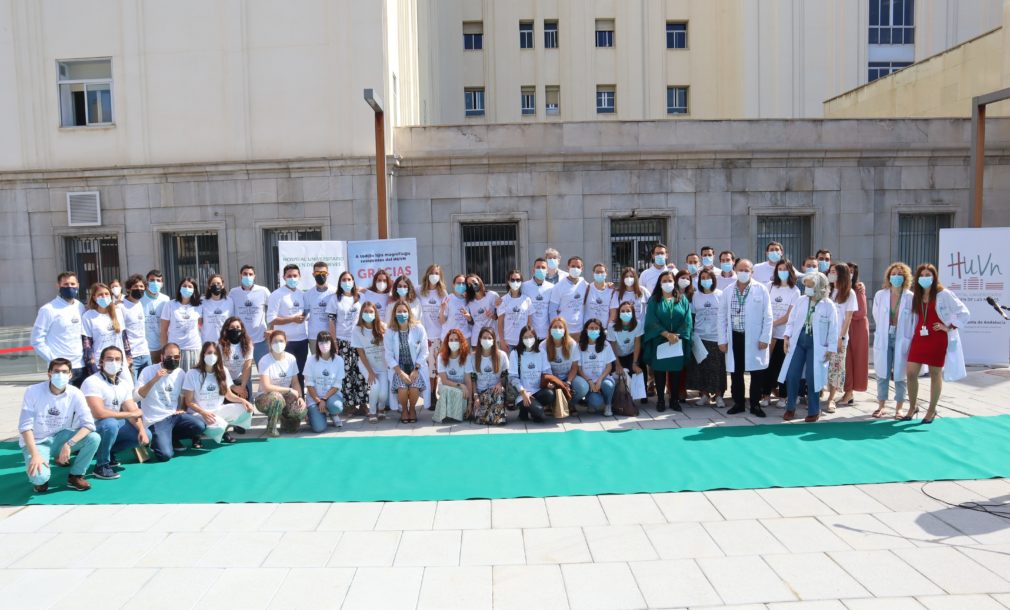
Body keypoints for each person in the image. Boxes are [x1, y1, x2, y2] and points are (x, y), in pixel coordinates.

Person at [19, 358, 100, 492]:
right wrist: (35, 455)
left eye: (64, 372)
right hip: (37, 442)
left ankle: (76, 476)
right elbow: (25, 426)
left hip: (61, 437)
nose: (60, 375)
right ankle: (41, 480)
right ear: (49, 373)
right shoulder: (32, 391)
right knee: (39, 477)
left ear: (70, 375)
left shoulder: (75, 393)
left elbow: (89, 424)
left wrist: (69, 444)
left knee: (94, 438)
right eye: (56, 371)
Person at [904, 263, 970, 423]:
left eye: (928, 275)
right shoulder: (916, 295)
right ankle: (913, 407)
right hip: (919, 337)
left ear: (934, 277)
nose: (925, 278)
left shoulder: (943, 294)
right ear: (917, 278)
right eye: (922, 275)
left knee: (935, 374)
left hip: (937, 338)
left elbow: (964, 312)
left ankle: (931, 410)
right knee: (911, 373)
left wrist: (948, 327)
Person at [779, 271, 839, 422]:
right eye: (806, 285)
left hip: (817, 345)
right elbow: (792, 321)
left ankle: (813, 410)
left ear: (820, 287)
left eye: (810, 286)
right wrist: (786, 336)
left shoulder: (828, 305)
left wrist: (831, 349)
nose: (807, 289)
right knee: (792, 374)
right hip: (799, 341)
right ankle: (790, 407)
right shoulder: (801, 300)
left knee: (813, 377)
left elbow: (833, 328)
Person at [718, 259, 773, 417]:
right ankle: (739, 403)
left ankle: (755, 405)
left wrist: (765, 338)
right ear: (735, 270)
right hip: (734, 336)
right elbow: (721, 316)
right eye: (740, 269)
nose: (743, 272)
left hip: (755, 338)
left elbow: (768, 316)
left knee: (756, 373)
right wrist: (722, 339)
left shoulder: (761, 289)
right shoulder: (728, 290)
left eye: (746, 270)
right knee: (736, 372)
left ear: (752, 272)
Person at [82, 346, 146, 480]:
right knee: (110, 424)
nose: (114, 362)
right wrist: (130, 415)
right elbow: (99, 414)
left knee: (145, 435)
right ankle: (101, 466)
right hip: (89, 430)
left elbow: (132, 409)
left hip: (110, 427)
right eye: (109, 359)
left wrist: (142, 430)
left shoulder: (123, 384)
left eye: (117, 359)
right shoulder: (92, 382)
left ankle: (108, 452)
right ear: (101, 362)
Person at [136, 342, 206, 461]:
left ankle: (170, 437)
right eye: (169, 357)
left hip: (173, 416)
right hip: (156, 420)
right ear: (162, 357)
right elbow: (136, 397)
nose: (173, 359)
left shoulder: (180, 373)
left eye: (176, 357)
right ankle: (156, 440)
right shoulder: (148, 371)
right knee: (165, 455)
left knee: (199, 425)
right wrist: (155, 379)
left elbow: (185, 394)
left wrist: (182, 409)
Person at [183, 342, 254, 444]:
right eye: (209, 353)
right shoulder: (192, 373)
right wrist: (203, 412)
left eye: (215, 353)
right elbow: (188, 402)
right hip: (199, 413)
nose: (212, 356)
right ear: (203, 354)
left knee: (246, 409)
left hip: (217, 410)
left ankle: (220, 427)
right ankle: (197, 434)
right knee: (219, 427)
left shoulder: (223, 371)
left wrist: (243, 401)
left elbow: (228, 395)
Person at [643, 270, 693, 412]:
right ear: (660, 283)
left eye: (670, 281)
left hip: (677, 341)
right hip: (659, 340)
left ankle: (674, 400)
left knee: (675, 371)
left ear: (674, 282)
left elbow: (687, 320)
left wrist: (677, 335)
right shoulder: (654, 300)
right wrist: (665, 334)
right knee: (659, 371)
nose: (667, 283)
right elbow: (651, 320)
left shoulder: (682, 299)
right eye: (664, 281)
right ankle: (660, 400)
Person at [871, 263, 914, 419]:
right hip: (884, 336)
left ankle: (899, 408)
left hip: (902, 338)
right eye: (893, 274)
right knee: (882, 372)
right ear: (889, 276)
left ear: (905, 278)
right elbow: (876, 315)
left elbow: (914, 320)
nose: (896, 277)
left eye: (900, 274)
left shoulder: (910, 297)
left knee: (900, 373)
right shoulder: (880, 295)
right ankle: (881, 406)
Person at [31, 271, 87, 387]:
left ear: (78, 285)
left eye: (72, 284)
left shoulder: (80, 306)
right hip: (61, 369)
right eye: (65, 284)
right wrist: (55, 361)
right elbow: (36, 340)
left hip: (82, 366)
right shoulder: (48, 309)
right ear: (58, 286)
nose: (69, 287)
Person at [327, 271, 368, 415]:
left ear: (353, 281)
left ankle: (363, 403)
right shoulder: (335, 299)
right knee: (346, 372)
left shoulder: (360, 297)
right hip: (342, 340)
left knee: (361, 371)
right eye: (344, 279)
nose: (347, 282)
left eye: (349, 279)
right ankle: (349, 404)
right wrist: (334, 342)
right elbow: (331, 321)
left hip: (359, 340)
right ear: (339, 282)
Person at [255, 330, 306, 436]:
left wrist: (300, 397)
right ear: (269, 343)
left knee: (301, 410)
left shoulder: (291, 358)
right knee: (277, 397)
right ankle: (271, 427)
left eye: (281, 341)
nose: (278, 344)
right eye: (274, 341)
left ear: (286, 342)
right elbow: (266, 387)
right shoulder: (265, 360)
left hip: (285, 397)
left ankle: (285, 419)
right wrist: (289, 390)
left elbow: (295, 382)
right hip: (266, 398)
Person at [687, 268, 726, 407]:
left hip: (716, 337)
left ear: (713, 279)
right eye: (702, 278)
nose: (705, 280)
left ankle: (719, 395)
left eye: (708, 277)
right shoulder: (696, 296)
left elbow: (724, 316)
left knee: (717, 368)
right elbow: (692, 316)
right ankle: (704, 394)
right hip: (700, 336)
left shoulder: (721, 295)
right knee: (701, 367)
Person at [385, 301, 429, 423]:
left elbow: (425, 350)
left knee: (414, 388)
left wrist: (416, 369)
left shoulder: (418, 328)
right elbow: (388, 355)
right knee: (402, 388)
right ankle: (404, 409)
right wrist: (400, 373)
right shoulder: (390, 331)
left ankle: (413, 409)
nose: (402, 314)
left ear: (409, 313)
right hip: (399, 368)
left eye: (404, 311)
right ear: (394, 314)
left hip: (416, 367)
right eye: (399, 311)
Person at [764, 260, 800, 407]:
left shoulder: (795, 291)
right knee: (767, 366)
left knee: (782, 366)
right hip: (768, 335)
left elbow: (789, 316)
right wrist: (767, 326)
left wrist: (771, 323)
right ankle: (765, 395)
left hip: (784, 335)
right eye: (779, 269)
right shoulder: (770, 286)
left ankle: (783, 396)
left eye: (785, 269)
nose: (782, 271)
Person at [267, 264, 309, 386]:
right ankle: (286, 402)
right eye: (289, 276)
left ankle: (299, 401)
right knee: (285, 376)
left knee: (300, 374)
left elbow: (305, 314)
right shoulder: (276, 294)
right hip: (285, 342)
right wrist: (292, 319)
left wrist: (304, 317)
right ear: (283, 277)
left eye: (295, 276)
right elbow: (271, 319)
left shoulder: (302, 294)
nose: (292, 278)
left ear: (299, 276)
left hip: (302, 340)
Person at [825, 263, 857, 411]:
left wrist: (841, 337)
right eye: (830, 271)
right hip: (823, 336)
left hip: (839, 337)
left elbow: (848, 317)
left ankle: (831, 398)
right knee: (823, 366)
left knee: (836, 367)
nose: (831, 274)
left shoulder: (850, 293)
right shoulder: (827, 290)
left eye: (834, 272)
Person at [82, 282, 131, 376]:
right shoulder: (88, 316)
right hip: (101, 364)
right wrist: (92, 367)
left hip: (120, 362)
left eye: (106, 294)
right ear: (94, 297)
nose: (104, 297)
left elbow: (124, 338)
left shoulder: (118, 312)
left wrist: (129, 359)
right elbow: (87, 345)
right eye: (100, 294)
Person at [509, 325, 555, 422]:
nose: (528, 339)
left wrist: (549, 383)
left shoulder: (541, 352)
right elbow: (513, 378)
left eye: (531, 337)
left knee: (550, 394)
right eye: (525, 337)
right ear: (521, 339)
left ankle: (532, 407)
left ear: (535, 337)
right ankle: (525, 409)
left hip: (538, 390)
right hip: (522, 392)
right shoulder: (515, 353)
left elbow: (547, 371)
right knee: (540, 414)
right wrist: (523, 392)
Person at [352, 301, 389, 423]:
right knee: (375, 386)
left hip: (382, 366)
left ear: (375, 313)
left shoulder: (383, 327)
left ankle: (381, 409)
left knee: (383, 394)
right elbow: (361, 354)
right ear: (361, 313)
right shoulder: (357, 330)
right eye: (365, 312)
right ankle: (372, 412)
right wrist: (370, 372)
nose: (368, 314)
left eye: (371, 312)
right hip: (366, 365)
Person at [228, 265, 271, 367]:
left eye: (250, 274)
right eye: (245, 274)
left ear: (254, 276)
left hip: (260, 339)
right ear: (240, 275)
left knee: (264, 370)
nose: (248, 276)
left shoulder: (263, 291)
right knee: (244, 372)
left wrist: (271, 328)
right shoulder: (233, 292)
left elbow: (274, 309)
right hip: (241, 339)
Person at [303, 331, 345, 432]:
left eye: (327, 342)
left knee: (336, 406)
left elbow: (337, 385)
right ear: (317, 344)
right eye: (321, 342)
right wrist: (318, 401)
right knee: (319, 428)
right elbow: (309, 384)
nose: (324, 345)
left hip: (330, 397)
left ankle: (333, 414)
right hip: (314, 398)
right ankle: (314, 415)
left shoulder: (339, 360)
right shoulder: (310, 360)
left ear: (331, 343)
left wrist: (324, 399)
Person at [542, 317, 589, 406]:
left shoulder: (572, 344)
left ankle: (570, 404)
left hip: (568, 377)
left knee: (582, 386)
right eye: (555, 327)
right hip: (552, 378)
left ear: (565, 330)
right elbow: (543, 369)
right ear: (550, 330)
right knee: (547, 391)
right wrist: (555, 382)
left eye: (560, 327)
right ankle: (552, 406)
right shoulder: (543, 346)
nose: (557, 329)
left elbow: (574, 367)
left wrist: (568, 382)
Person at [420, 264, 448, 410]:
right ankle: (428, 393)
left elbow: (446, 316)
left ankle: (433, 394)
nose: (433, 275)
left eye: (436, 273)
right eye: (431, 272)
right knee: (427, 368)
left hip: (438, 336)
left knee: (436, 368)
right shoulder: (420, 291)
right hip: (424, 336)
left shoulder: (443, 293)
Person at [159, 277, 203, 371]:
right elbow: (163, 330)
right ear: (180, 288)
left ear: (194, 290)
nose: (187, 288)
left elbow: (200, 325)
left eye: (190, 286)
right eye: (184, 286)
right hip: (174, 350)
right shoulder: (170, 305)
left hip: (194, 348)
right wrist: (164, 350)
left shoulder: (199, 306)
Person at [841, 262, 869, 405]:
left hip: (857, 328)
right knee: (845, 360)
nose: (850, 273)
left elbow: (861, 311)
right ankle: (847, 391)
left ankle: (849, 392)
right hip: (845, 326)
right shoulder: (840, 288)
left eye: (852, 271)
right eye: (848, 271)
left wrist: (847, 314)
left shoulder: (858, 288)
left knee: (854, 360)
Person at [470, 327, 510, 425]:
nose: (487, 340)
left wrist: (500, 383)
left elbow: (506, 375)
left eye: (489, 338)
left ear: (494, 340)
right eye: (484, 338)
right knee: (479, 419)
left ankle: (496, 417)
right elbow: (473, 379)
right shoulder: (473, 357)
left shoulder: (502, 355)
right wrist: (476, 397)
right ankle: (490, 414)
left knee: (498, 394)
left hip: (496, 391)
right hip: (481, 394)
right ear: (479, 339)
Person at [435, 329, 472, 423]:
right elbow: (444, 381)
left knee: (460, 392)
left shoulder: (466, 356)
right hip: (446, 386)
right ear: (447, 342)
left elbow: (468, 380)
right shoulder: (441, 356)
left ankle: (456, 414)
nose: (453, 342)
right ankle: (445, 414)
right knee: (450, 390)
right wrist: (461, 385)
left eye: (456, 340)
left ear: (461, 342)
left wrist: (470, 403)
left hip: (461, 389)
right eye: (451, 340)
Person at [121, 275, 152, 380]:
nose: (139, 289)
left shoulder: (140, 304)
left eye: (141, 286)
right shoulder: (121, 306)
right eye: (135, 286)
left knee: (147, 387)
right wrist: (126, 355)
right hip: (132, 357)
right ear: (129, 289)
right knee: (132, 389)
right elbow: (121, 333)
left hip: (145, 353)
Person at [549, 257, 588, 339]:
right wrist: (557, 329)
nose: (575, 269)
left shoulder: (585, 284)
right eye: (573, 266)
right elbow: (552, 310)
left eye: (578, 267)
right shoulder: (559, 287)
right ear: (568, 267)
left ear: (582, 268)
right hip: (564, 331)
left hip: (581, 330)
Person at [609, 301, 644, 387]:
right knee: (617, 375)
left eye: (628, 311)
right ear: (619, 313)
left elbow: (637, 343)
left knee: (637, 370)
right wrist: (617, 364)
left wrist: (635, 363)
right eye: (623, 311)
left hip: (631, 354)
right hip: (617, 356)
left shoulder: (638, 324)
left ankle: (642, 395)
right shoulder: (611, 326)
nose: (625, 313)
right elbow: (612, 346)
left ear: (633, 313)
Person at [219, 316, 254, 401]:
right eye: (232, 327)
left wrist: (242, 387)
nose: (235, 329)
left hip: (239, 380)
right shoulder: (220, 345)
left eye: (238, 327)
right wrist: (232, 386)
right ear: (227, 329)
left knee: (245, 404)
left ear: (242, 329)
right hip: (224, 380)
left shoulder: (248, 344)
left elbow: (247, 367)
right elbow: (220, 368)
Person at [305, 261, 336, 353]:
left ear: (328, 274)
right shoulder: (308, 294)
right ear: (313, 274)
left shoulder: (335, 292)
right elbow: (304, 315)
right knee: (316, 363)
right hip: (314, 337)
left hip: (331, 335)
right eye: (317, 273)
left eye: (323, 273)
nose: (320, 275)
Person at [498, 270, 533, 352]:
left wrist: (528, 339)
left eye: (518, 280)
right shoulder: (503, 300)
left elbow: (529, 322)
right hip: (508, 343)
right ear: (508, 281)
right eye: (512, 280)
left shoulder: (527, 299)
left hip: (523, 341)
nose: (515, 282)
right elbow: (500, 324)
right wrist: (502, 341)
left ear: (521, 282)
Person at [141, 270, 170, 364]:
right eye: (152, 280)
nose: (155, 283)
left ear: (162, 283)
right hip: (144, 348)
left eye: (158, 280)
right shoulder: (140, 298)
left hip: (161, 346)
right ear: (147, 282)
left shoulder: (166, 299)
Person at [522, 258, 555, 341]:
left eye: (543, 267)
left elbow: (553, 310)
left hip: (546, 334)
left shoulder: (552, 288)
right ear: (533, 269)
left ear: (547, 270)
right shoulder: (524, 286)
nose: (540, 269)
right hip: (529, 334)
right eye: (538, 267)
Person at [464, 273, 499, 346]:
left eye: (473, 281)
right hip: (476, 339)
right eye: (469, 284)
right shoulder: (469, 301)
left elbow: (500, 314)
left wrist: (494, 316)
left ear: (479, 280)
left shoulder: (492, 295)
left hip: (491, 337)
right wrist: (469, 319)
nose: (472, 285)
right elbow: (472, 322)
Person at [200, 274, 233, 346]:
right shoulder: (202, 301)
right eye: (213, 284)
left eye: (218, 283)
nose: (216, 285)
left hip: (224, 342)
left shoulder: (229, 301)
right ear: (209, 286)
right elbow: (199, 322)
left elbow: (231, 321)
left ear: (223, 285)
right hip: (207, 343)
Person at [442, 274, 472, 342]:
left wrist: (469, 318)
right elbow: (442, 321)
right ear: (453, 284)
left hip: (465, 337)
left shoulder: (469, 299)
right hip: (451, 338)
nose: (461, 285)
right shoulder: (448, 299)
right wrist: (442, 310)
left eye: (463, 283)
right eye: (458, 283)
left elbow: (472, 320)